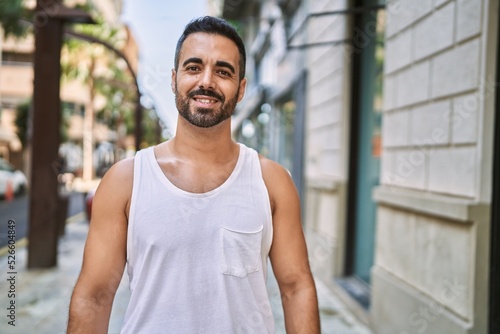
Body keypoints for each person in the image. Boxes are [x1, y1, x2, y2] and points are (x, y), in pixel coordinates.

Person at [67, 16, 320, 333]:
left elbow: (296, 288)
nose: (207, 81)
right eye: (193, 67)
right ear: (174, 79)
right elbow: (95, 296)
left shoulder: (272, 181)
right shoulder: (126, 180)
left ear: (241, 89)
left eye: (223, 71)